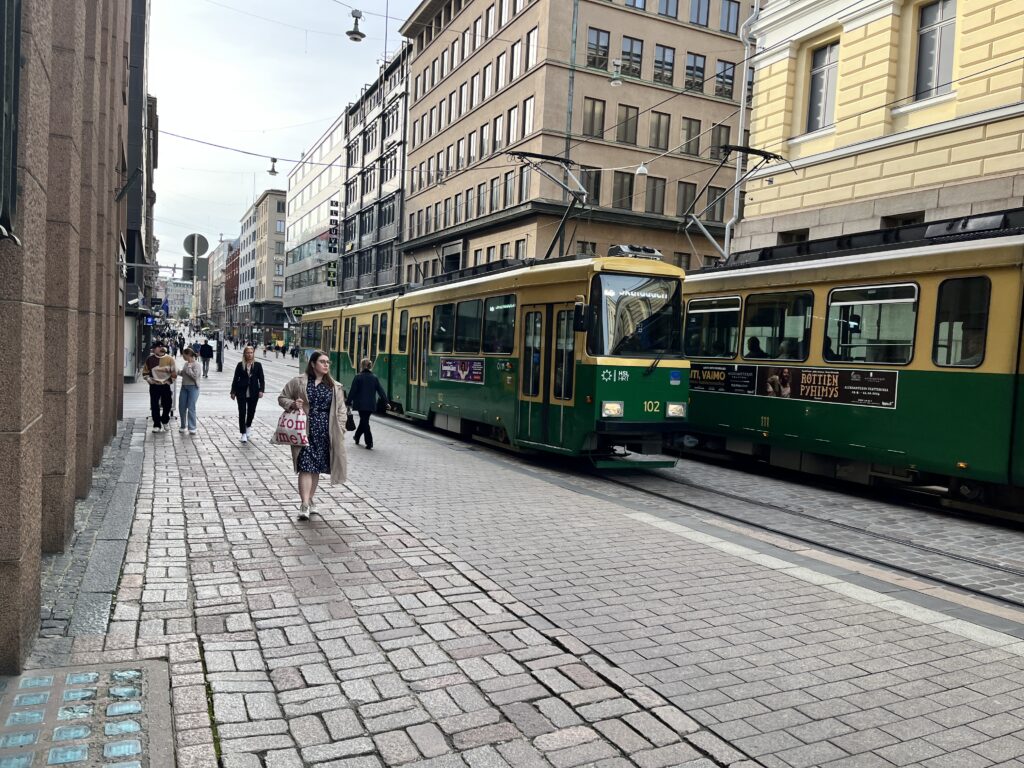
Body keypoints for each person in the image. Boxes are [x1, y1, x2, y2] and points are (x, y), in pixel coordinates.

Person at [278, 350, 351, 521]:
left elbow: (341, 411)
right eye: (322, 361)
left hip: (325, 433)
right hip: (304, 430)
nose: (326, 365)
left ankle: (310, 499)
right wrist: (293, 404)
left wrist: (340, 428)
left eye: (328, 362)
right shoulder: (299, 382)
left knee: (316, 468)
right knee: (305, 466)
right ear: (313, 364)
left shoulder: (334, 386)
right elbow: (282, 397)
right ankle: (304, 504)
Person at [346, 358, 389, 450]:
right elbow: (380, 390)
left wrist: (348, 402)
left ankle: (369, 442)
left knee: (364, 421)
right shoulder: (374, 378)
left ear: (361, 366)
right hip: (370, 405)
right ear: (370, 366)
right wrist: (386, 402)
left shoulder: (358, 377)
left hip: (360, 405)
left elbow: (352, 391)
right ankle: (357, 436)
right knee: (364, 421)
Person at [230, 345, 265, 443]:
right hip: (241, 391)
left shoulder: (258, 365)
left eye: (251, 352)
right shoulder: (240, 365)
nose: (249, 354)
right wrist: (233, 391)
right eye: (247, 352)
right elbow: (235, 379)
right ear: (244, 354)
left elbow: (261, 379)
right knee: (242, 412)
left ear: (253, 354)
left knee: (251, 411)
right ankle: (243, 433)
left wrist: (261, 390)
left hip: (254, 391)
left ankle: (248, 425)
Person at [142, 342, 176, 433]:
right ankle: (156, 424)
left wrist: (169, 381)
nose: (153, 349)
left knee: (167, 404)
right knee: (154, 405)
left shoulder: (169, 359)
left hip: (165, 385)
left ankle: (165, 420)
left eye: (155, 348)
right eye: (153, 348)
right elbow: (145, 372)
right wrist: (149, 380)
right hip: (154, 385)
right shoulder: (150, 359)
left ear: (160, 348)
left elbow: (174, 372)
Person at [178, 347, 202, 435]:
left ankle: (192, 427)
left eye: (184, 355)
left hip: (193, 388)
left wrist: (189, 368)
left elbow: (195, 376)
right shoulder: (186, 364)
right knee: (182, 406)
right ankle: (183, 425)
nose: (183, 356)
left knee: (191, 407)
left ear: (189, 355)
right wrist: (177, 371)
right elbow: (184, 373)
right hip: (184, 387)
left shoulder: (197, 365)